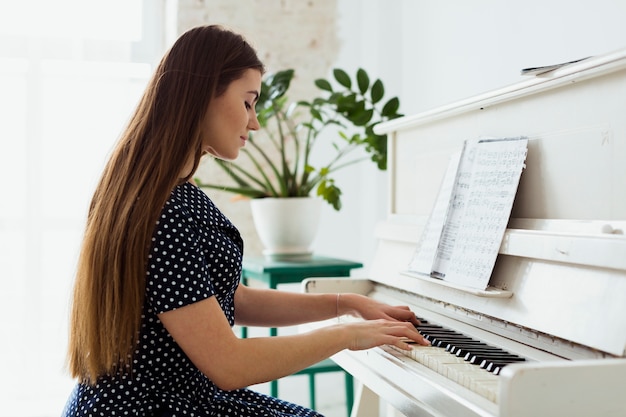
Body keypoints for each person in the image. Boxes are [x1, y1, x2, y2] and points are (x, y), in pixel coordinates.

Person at [62, 24, 429, 417]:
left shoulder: (171, 194)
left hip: (181, 398)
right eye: (248, 102)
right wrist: (348, 335)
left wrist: (348, 303)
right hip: (150, 408)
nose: (254, 123)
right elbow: (229, 365)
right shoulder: (163, 212)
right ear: (203, 95)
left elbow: (229, 298)